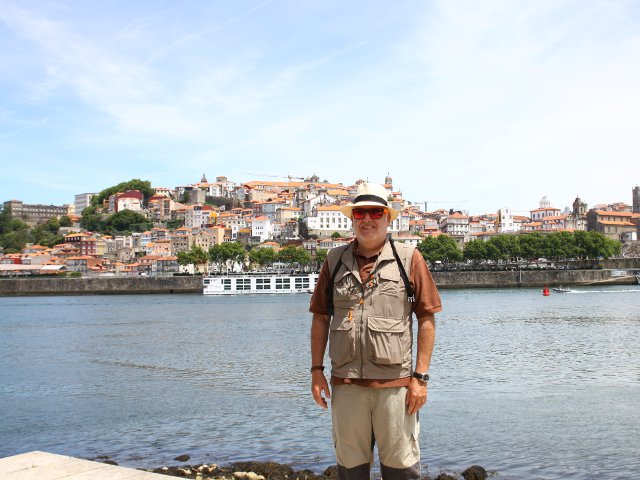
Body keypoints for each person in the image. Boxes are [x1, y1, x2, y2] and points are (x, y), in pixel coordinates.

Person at [309, 182, 442, 480]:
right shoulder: (334, 260)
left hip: (395, 387)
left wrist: (420, 378)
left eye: (375, 212)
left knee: (402, 470)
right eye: (360, 213)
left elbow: (427, 318)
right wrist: (316, 371)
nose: (367, 219)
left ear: (387, 218)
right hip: (346, 385)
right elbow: (320, 317)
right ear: (352, 218)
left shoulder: (409, 258)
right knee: (350, 470)